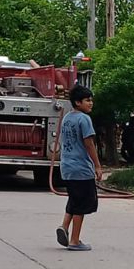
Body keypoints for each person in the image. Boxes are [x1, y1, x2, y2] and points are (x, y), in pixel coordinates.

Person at [56, 85, 102, 251]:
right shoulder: (84, 119)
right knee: (82, 204)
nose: (91, 103)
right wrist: (97, 166)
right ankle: (75, 241)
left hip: (67, 167)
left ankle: (64, 226)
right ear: (77, 102)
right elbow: (89, 144)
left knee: (74, 199)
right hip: (81, 168)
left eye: (91, 100)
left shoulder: (68, 117)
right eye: (87, 100)